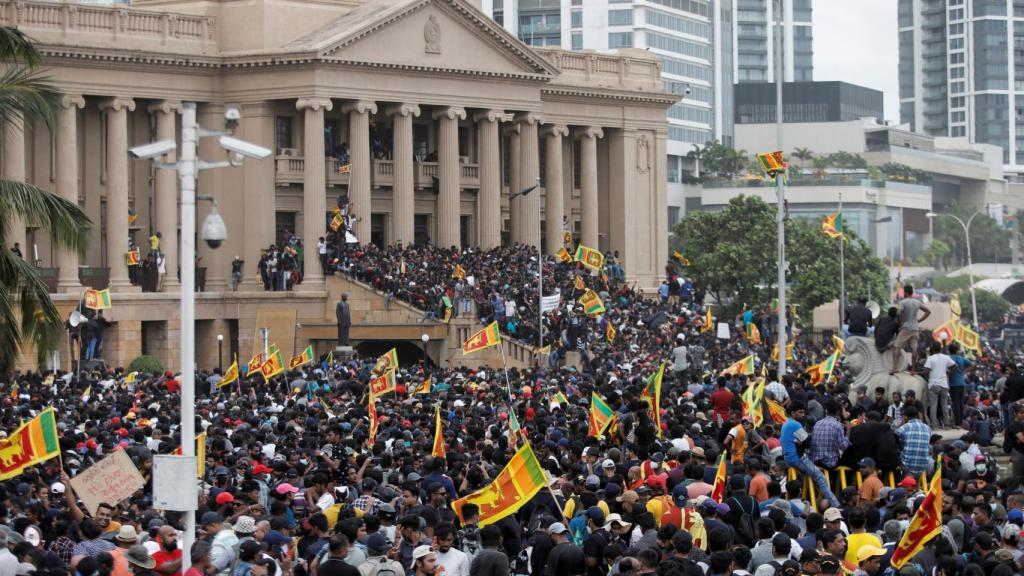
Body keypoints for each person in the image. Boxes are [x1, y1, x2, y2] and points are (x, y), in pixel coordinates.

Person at [780, 402, 841, 508]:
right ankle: (837, 505)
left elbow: (803, 442)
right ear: (793, 413)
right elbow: (807, 442)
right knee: (820, 477)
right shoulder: (795, 424)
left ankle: (817, 500)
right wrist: (806, 440)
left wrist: (803, 442)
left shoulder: (786, 423)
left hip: (788, 459)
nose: (803, 414)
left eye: (804, 412)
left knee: (813, 477)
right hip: (797, 458)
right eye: (800, 412)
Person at [891, 285, 931, 374]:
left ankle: (895, 368)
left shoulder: (903, 302)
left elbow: (898, 313)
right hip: (915, 328)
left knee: (896, 346)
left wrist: (901, 322)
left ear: (905, 292)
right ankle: (913, 369)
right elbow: (928, 312)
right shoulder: (917, 302)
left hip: (906, 327)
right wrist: (919, 320)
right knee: (914, 349)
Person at [923, 343, 955, 429]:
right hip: (944, 384)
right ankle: (947, 424)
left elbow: (925, 372)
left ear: (932, 349)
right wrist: (949, 373)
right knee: (944, 405)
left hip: (934, 384)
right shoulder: (946, 357)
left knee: (934, 405)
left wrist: (928, 378)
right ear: (940, 349)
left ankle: (934, 425)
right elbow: (955, 366)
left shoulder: (930, 359)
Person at [947, 342, 973, 427]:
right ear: (957, 351)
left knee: (955, 404)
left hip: (953, 385)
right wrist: (964, 372)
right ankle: (960, 422)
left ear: (949, 350)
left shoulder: (948, 358)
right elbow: (972, 365)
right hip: (962, 384)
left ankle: (958, 423)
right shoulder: (961, 358)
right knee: (961, 404)